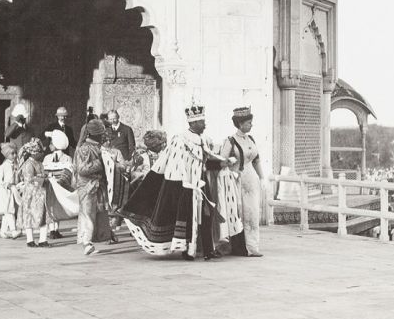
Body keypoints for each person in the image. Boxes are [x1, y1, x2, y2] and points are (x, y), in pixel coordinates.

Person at [118, 103, 244, 260]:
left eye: (204, 121)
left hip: (201, 182)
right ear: (192, 123)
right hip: (185, 185)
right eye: (201, 121)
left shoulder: (202, 140)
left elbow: (205, 161)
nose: (204, 124)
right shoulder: (180, 140)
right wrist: (185, 183)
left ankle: (207, 250)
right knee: (189, 218)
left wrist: (222, 163)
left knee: (207, 214)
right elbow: (174, 165)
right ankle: (188, 250)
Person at [218, 106, 266, 257]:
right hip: (236, 180)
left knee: (252, 212)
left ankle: (252, 247)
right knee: (238, 212)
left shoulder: (251, 139)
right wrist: (230, 162)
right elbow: (221, 162)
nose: (251, 125)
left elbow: (256, 160)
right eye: (248, 123)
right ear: (240, 124)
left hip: (252, 179)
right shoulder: (230, 141)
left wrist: (262, 177)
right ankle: (238, 247)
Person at [73, 118, 112, 256]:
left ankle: (104, 235)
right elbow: (82, 169)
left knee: (99, 212)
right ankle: (87, 243)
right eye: (100, 133)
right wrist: (100, 162)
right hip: (87, 186)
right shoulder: (84, 149)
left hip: (97, 185)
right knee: (87, 214)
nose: (103, 136)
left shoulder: (97, 147)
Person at [42, 130, 77, 239]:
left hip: (60, 186)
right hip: (50, 185)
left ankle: (55, 229)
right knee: (50, 206)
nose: (50, 145)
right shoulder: (48, 157)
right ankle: (53, 229)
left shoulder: (67, 158)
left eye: (51, 143)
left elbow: (68, 172)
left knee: (57, 206)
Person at [16, 137, 49, 248]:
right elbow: (29, 179)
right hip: (31, 194)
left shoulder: (38, 163)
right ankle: (30, 240)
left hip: (40, 193)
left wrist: (44, 177)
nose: (41, 154)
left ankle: (42, 240)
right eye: (39, 152)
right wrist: (43, 178)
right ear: (34, 153)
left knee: (43, 216)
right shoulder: (29, 164)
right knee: (29, 216)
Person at [0, 142, 19, 239]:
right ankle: (13, 230)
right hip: (4, 192)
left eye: (15, 153)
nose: (15, 155)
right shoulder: (2, 167)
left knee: (7, 212)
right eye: (12, 153)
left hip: (12, 191)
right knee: (9, 211)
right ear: (7, 155)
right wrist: (6, 185)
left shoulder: (16, 166)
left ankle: (3, 231)